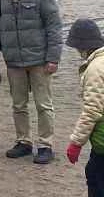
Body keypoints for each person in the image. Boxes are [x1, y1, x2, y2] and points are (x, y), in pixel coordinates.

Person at [0, 0, 63, 164]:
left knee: (43, 105)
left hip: (40, 60)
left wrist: (53, 58)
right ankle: (23, 142)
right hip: (14, 60)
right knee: (18, 105)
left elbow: (54, 26)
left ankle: (46, 145)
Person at [65, 19, 104, 196]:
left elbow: (92, 110)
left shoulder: (96, 68)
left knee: (95, 178)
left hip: (103, 139)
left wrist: (76, 143)